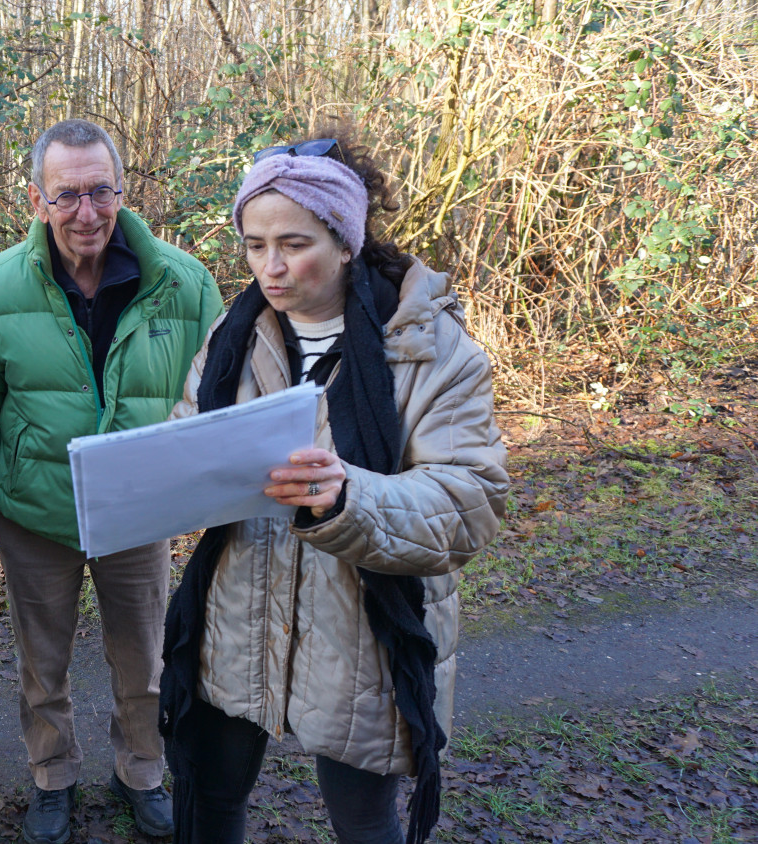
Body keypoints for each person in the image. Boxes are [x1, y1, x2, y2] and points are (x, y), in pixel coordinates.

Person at [159, 136, 510, 844]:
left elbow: (469, 502)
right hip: (239, 617)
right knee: (212, 797)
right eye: (254, 246)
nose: (272, 267)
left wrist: (350, 496)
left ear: (346, 241)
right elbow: (189, 432)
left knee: (363, 823)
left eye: (295, 243)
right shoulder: (234, 334)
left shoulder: (429, 348)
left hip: (366, 627)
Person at [0, 119, 223, 844]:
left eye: (100, 191)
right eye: (66, 195)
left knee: (146, 658)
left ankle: (141, 771)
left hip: (139, 514)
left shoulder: (184, 283)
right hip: (35, 517)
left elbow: (219, 398)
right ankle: (52, 777)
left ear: (122, 191)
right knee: (43, 663)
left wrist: (188, 485)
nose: (86, 212)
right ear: (36, 201)